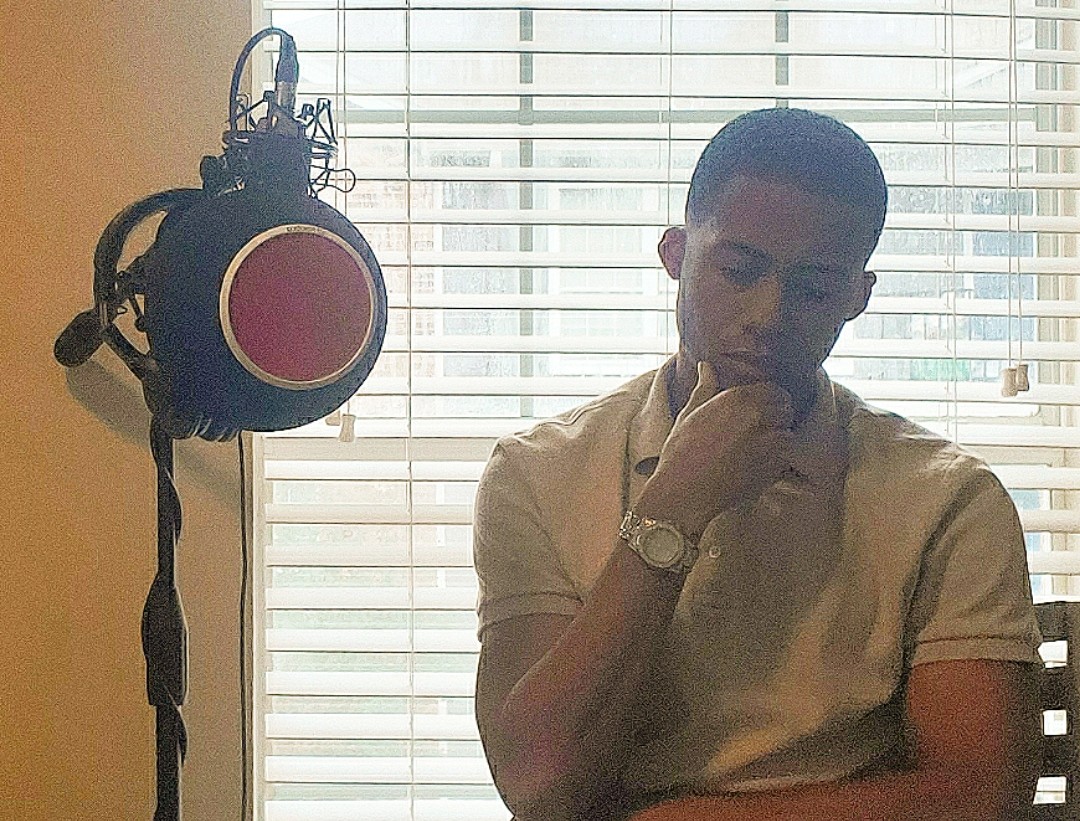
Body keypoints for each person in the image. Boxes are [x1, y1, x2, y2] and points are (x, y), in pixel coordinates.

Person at [471, 108, 1043, 821]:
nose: (768, 314)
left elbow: (979, 792)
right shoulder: (537, 474)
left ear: (857, 297)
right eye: (739, 270)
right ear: (676, 254)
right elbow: (536, 784)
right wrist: (671, 510)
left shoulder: (947, 498)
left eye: (813, 286)